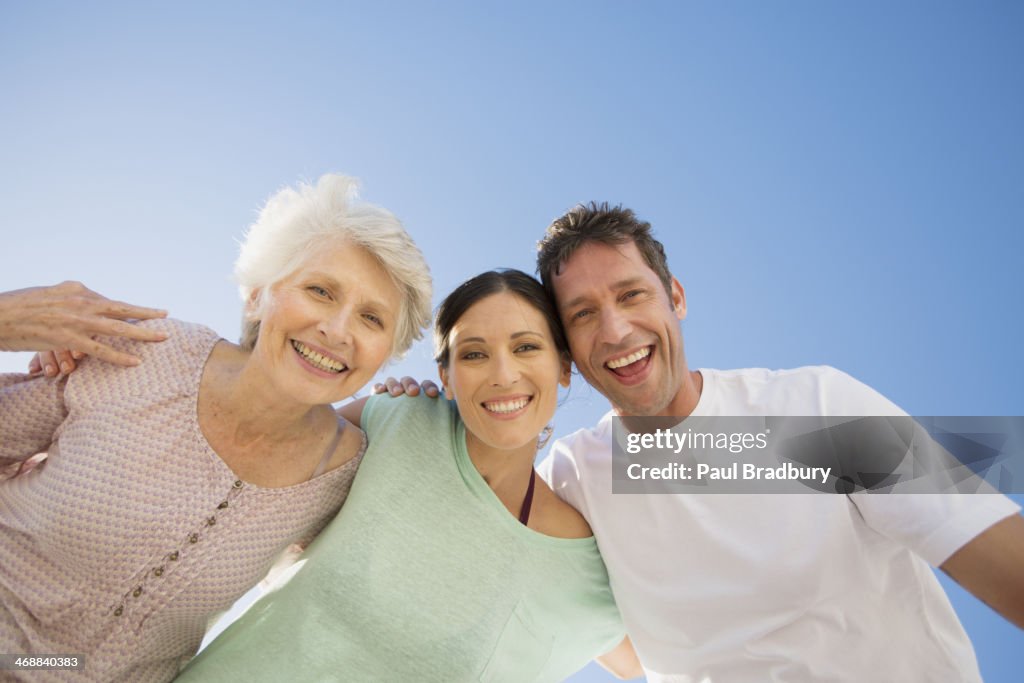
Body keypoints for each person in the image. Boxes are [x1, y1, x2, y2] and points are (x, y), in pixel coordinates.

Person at [531, 203, 1024, 681]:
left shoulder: (814, 403)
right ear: (566, 355)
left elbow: (990, 547)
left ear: (675, 297)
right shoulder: (571, 480)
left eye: (632, 294)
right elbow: (615, 650)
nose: (615, 330)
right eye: (583, 315)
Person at [0, 173, 432, 682]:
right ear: (256, 296)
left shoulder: (347, 476)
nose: (337, 331)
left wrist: (413, 409)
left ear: (386, 354)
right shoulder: (142, 352)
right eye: (320, 291)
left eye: (372, 319)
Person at [176, 270, 635, 682]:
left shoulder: (580, 564)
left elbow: (668, 661)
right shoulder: (391, 419)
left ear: (564, 368)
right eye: (474, 354)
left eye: (526, 347)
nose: (503, 374)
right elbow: (234, 479)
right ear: (447, 376)